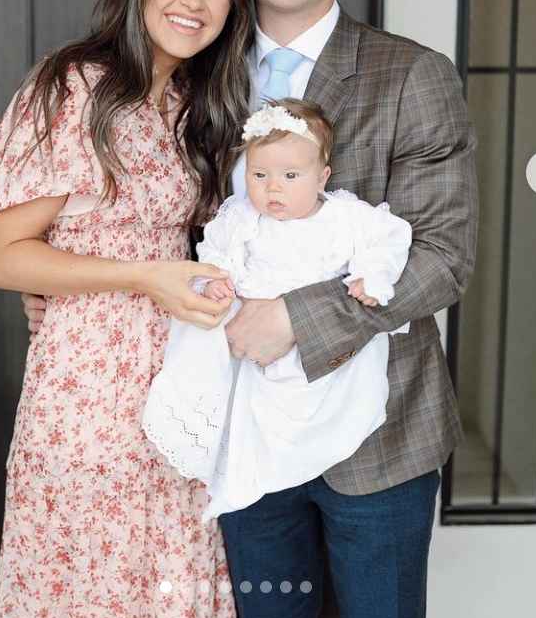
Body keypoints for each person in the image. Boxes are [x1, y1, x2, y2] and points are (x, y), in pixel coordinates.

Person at [24, 0, 478, 618]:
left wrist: (296, 319)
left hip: (379, 439)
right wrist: (64, 284)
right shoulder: (196, 69)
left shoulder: (413, 73)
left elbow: (442, 256)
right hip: (239, 440)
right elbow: (151, 214)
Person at [0, 0, 255, 618]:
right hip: (86, 396)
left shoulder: (196, 102)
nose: (194, 1)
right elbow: (1, 257)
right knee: (90, 593)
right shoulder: (71, 86)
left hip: (176, 388)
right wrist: (140, 277)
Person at [142, 98, 412, 521]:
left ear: (322, 176)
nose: (273, 188)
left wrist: (371, 276)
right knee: (242, 402)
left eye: (290, 176)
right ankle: (239, 479)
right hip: (250, 346)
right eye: (259, 174)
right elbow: (216, 252)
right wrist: (217, 279)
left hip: (323, 347)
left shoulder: (345, 217)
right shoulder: (242, 216)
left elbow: (391, 238)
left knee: (326, 399)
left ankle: (288, 457)